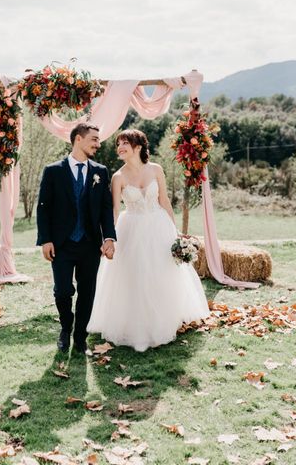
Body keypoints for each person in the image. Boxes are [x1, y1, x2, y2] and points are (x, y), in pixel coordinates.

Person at [87, 129, 210, 352]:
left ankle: (164, 319)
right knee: (135, 276)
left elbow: (164, 200)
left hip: (159, 226)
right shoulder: (118, 177)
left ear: (139, 146)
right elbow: (114, 210)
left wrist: (176, 233)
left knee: (161, 273)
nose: (120, 147)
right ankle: (137, 325)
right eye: (118, 144)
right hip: (130, 229)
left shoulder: (156, 170)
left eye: (125, 143)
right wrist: (108, 238)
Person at [36, 123, 116, 354]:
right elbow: (44, 208)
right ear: (78, 139)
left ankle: (80, 336)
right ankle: (65, 327)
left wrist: (109, 237)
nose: (98, 144)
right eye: (94, 139)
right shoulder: (53, 171)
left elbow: (105, 208)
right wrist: (45, 239)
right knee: (62, 291)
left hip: (90, 244)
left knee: (87, 292)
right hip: (61, 244)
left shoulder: (100, 171)